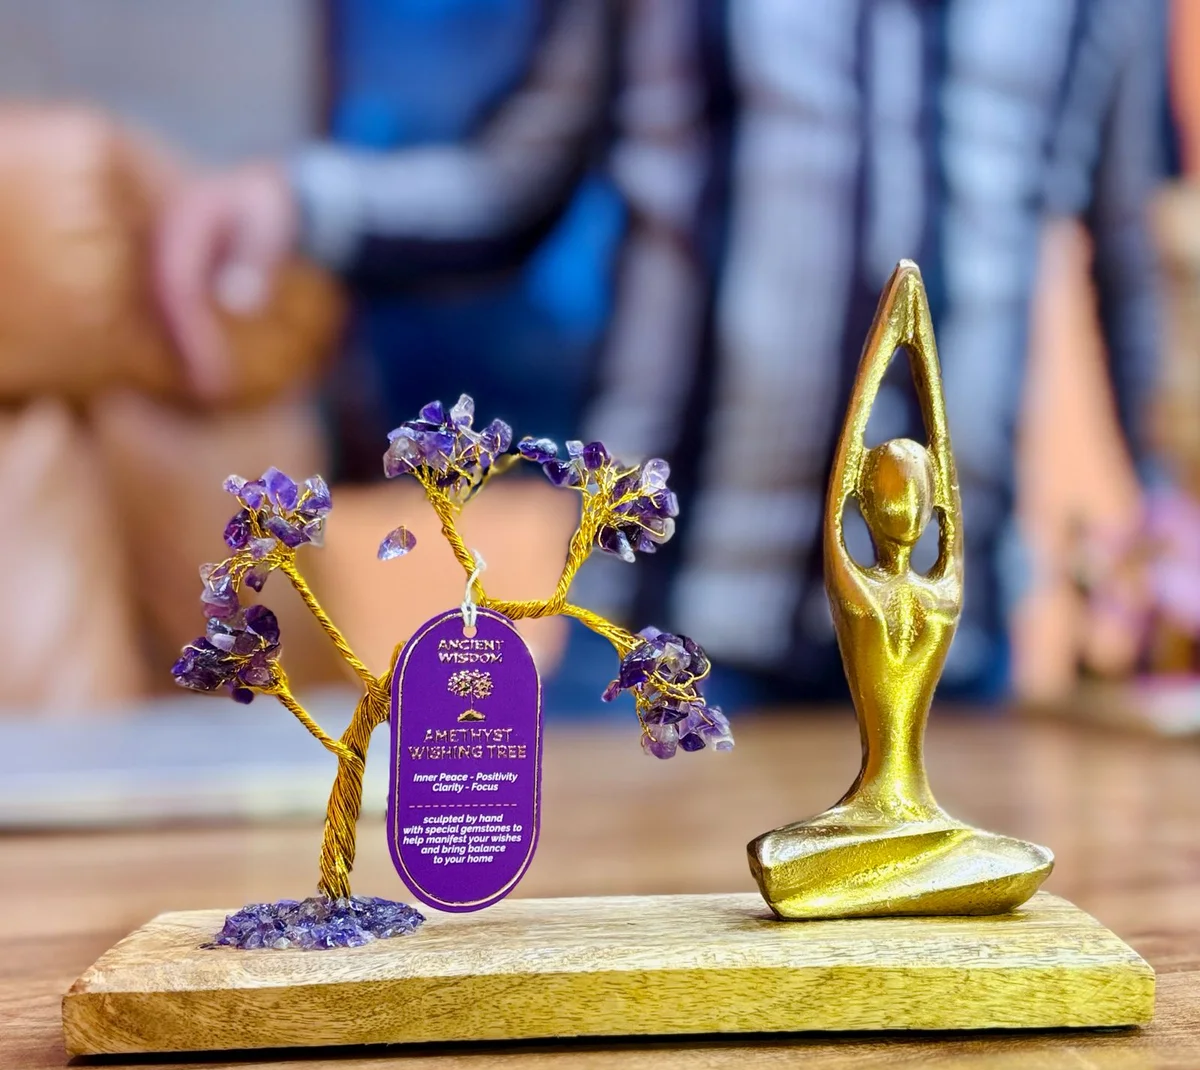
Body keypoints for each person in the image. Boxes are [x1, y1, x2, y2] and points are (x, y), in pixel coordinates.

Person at [153, 0, 1167, 703]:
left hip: (950, 648)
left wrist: (1166, 508)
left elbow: (1125, 253)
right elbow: (513, 183)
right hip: (665, 637)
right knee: (590, 946)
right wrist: (294, 201)